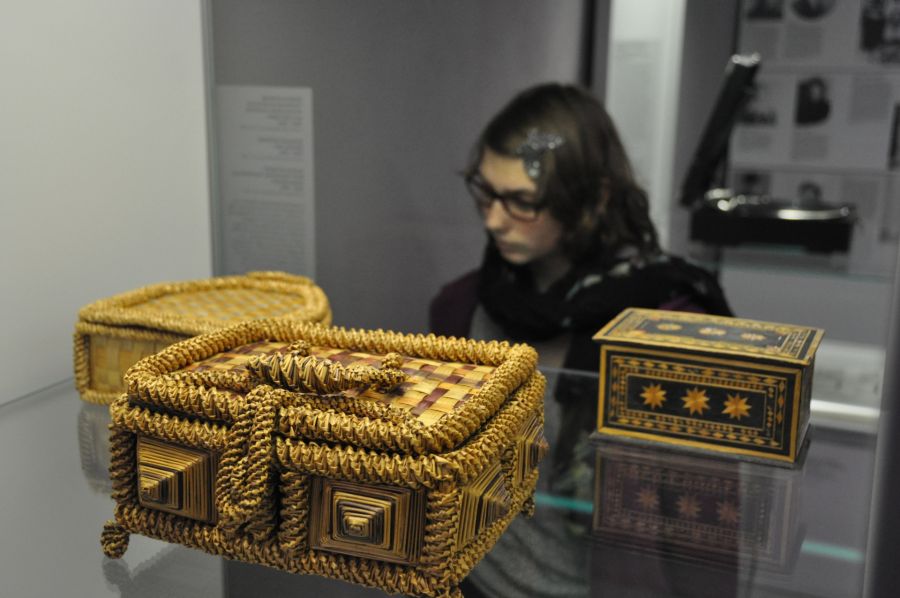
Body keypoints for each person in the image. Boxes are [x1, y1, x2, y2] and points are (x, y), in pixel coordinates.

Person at [430, 83, 732, 373]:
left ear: (593, 199)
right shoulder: (461, 306)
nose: (493, 221)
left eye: (522, 201)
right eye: (488, 193)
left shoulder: (669, 319)